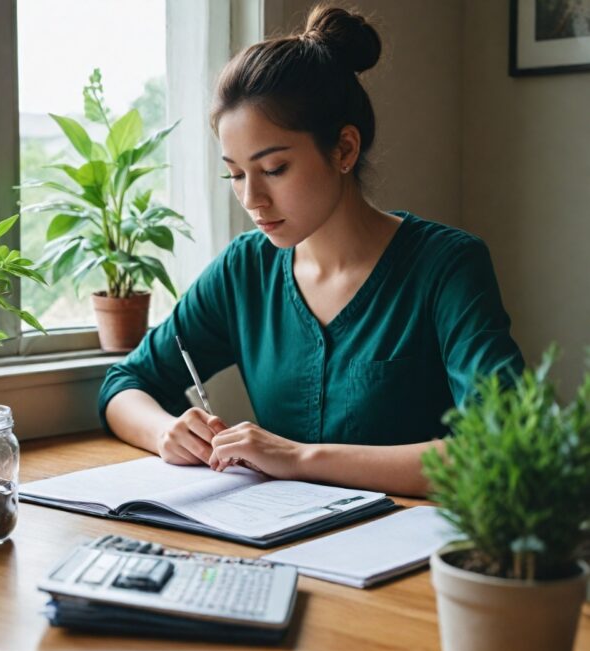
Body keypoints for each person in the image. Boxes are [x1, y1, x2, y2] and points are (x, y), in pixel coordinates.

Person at [98, 5, 523, 497]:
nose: (251, 199)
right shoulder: (245, 270)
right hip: (278, 549)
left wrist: (297, 457)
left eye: (274, 169)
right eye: (235, 174)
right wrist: (165, 433)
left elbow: (502, 446)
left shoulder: (448, 266)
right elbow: (125, 383)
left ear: (344, 149)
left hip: (413, 558)